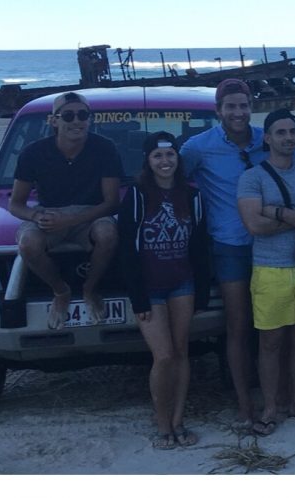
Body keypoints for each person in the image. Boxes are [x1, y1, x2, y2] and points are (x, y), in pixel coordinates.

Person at [179, 78, 268, 426]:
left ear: (251, 106)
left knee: (272, 324)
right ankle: (245, 402)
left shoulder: (266, 138)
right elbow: (170, 179)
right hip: (229, 245)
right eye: (230, 107)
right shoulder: (198, 147)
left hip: (270, 242)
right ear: (218, 111)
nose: (238, 113)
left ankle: (275, 393)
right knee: (238, 325)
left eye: (243, 105)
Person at [237, 109, 295, 436]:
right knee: (271, 342)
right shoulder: (252, 177)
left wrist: (275, 210)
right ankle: (271, 407)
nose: (288, 137)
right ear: (267, 137)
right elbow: (254, 225)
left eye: (292, 131)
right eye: (280, 132)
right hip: (269, 269)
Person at [119, 131, 211, 449]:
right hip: (150, 287)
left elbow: (200, 247)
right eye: (157, 156)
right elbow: (127, 251)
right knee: (164, 355)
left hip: (182, 283)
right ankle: (162, 424)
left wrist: (202, 290)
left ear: (178, 158)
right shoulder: (136, 196)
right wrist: (137, 296)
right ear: (148, 161)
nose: (164, 161)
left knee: (182, 351)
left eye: (170, 154)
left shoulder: (193, 196)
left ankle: (178, 420)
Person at [7, 91, 122, 329]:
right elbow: (16, 204)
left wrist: (69, 220)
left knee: (108, 234)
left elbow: (111, 203)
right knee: (28, 243)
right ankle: (60, 291)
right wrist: (36, 215)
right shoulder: (33, 153)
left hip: (92, 215)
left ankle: (90, 289)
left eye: (83, 114)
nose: (77, 121)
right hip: (49, 214)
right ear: (54, 121)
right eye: (68, 115)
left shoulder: (105, 148)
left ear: (90, 119)